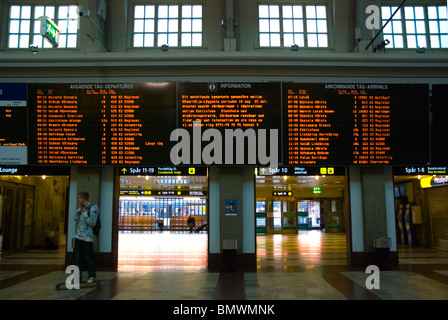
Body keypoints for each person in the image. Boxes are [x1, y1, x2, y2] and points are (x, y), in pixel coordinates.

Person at [74, 191, 99, 283]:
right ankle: (78, 276)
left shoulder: (93, 208)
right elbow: (75, 218)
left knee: (89, 258)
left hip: (87, 237)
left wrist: (85, 214)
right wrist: (79, 210)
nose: (78, 200)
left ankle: (91, 276)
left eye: (79, 198)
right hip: (78, 236)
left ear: (83, 198)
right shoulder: (82, 208)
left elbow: (92, 223)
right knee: (78, 258)